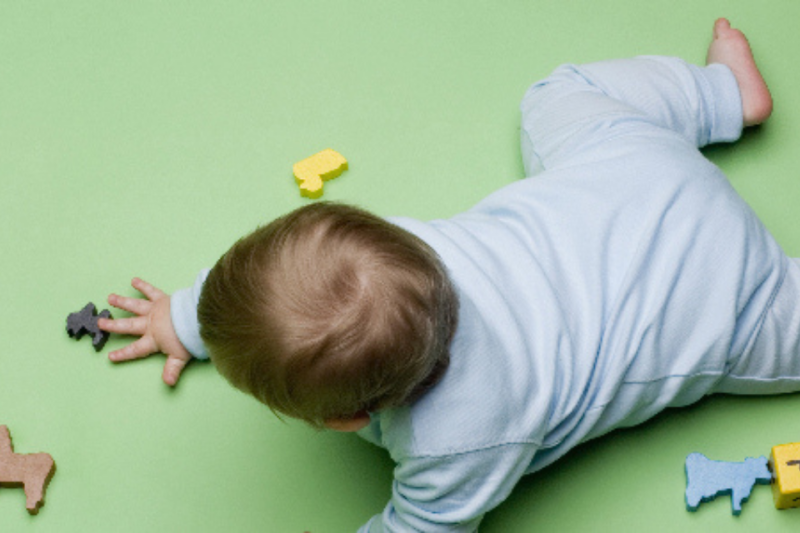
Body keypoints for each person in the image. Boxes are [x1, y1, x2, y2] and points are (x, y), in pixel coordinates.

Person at [99, 18, 797, 531]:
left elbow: (420, 528)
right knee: (558, 95)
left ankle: (727, 100)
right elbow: (269, 286)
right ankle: (722, 95)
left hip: (727, 297)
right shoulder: (394, 250)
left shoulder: (462, 441)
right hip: (637, 170)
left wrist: (182, 323)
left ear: (345, 419)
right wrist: (187, 317)